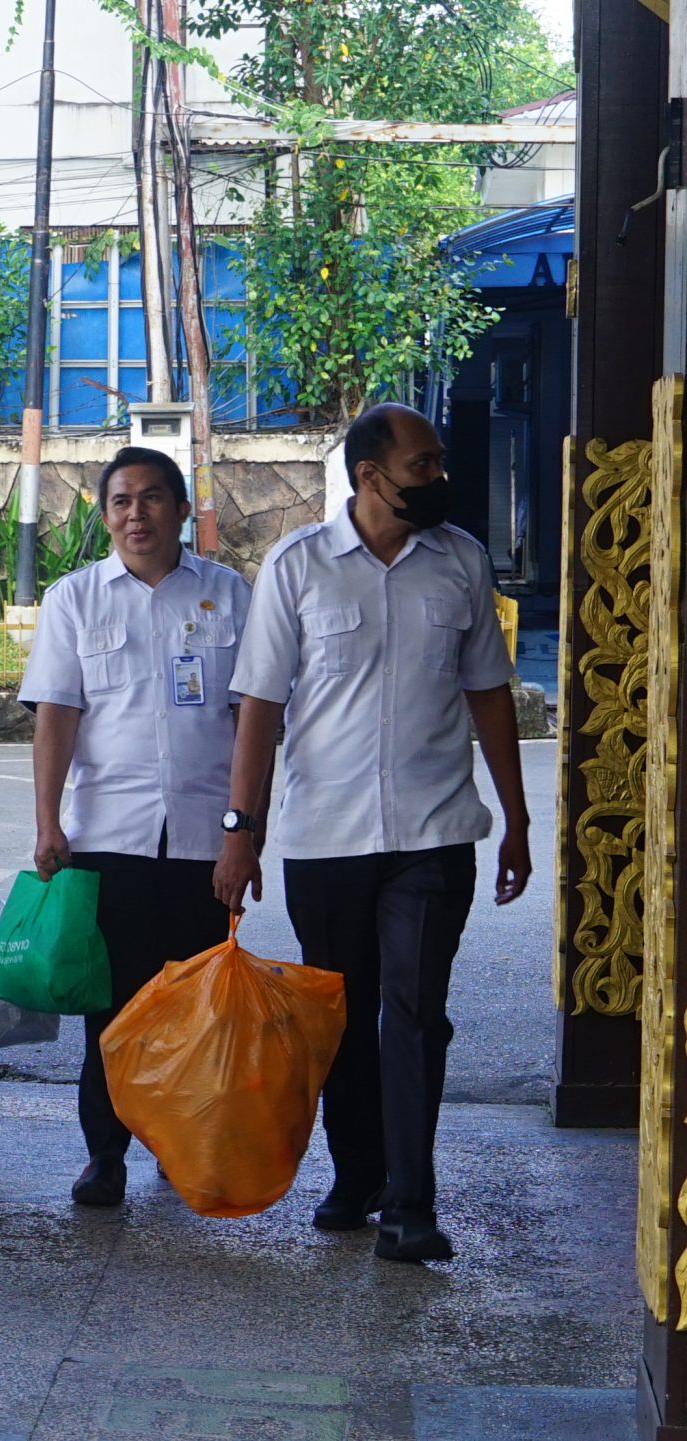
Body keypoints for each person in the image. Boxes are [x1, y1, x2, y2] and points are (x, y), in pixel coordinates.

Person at [214, 403, 527, 1265]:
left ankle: (410, 1203)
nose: (439, 478)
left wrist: (517, 816)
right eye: (424, 465)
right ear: (369, 476)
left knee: (417, 1013)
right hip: (326, 839)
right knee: (345, 1018)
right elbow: (260, 706)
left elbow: (489, 693)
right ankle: (358, 1175)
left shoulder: (461, 562)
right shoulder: (298, 566)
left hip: (434, 833)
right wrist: (241, 830)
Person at [18, 446, 246, 1209]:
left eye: (151, 498)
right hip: (107, 835)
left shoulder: (228, 594)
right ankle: (104, 1153)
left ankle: (179, 1144)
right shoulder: (75, 599)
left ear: (182, 510)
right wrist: (47, 821)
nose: (136, 513)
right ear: (106, 514)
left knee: (191, 1007)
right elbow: (57, 715)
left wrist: (244, 832)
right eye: (120, 500)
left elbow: (251, 721)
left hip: (202, 839)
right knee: (110, 1008)